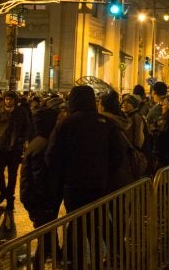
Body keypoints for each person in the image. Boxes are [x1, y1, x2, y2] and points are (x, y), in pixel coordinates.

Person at [45, 85, 124, 269]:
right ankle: (114, 255)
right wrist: (104, 171)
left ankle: (75, 261)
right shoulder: (105, 123)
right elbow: (117, 155)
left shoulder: (65, 124)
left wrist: (64, 174)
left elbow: (52, 156)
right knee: (101, 220)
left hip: (74, 186)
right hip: (99, 184)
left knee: (76, 223)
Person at [20, 97, 65, 267]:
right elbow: (40, 177)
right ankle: (39, 264)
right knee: (45, 235)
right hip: (39, 199)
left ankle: (57, 254)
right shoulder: (43, 145)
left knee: (47, 232)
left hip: (37, 198)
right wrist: (47, 198)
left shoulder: (39, 141)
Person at [0, 90, 31, 211]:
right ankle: (3, 192)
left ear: (15, 100)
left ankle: (10, 198)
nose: (8, 101)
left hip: (14, 148)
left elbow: (27, 127)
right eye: (7, 99)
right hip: (0, 147)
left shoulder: (21, 112)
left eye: (11, 99)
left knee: (12, 175)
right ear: (4, 100)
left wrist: (21, 140)